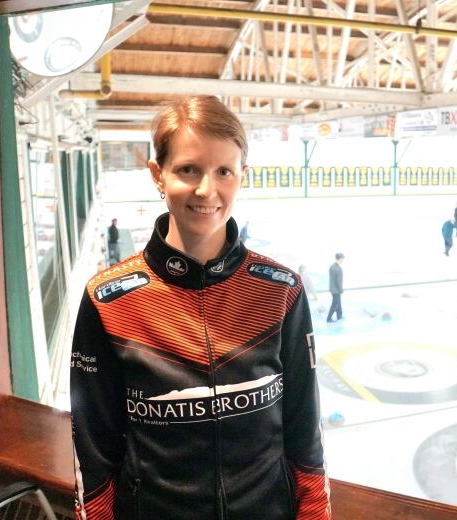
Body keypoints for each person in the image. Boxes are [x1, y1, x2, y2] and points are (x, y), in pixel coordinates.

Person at [70, 96, 330, 520]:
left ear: (242, 176)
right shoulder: (109, 300)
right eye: (188, 169)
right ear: (158, 175)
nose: (207, 190)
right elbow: (93, 451)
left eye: (223, 171)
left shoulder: (282, 291)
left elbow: (305, 434)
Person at [327, 253, 344, 322]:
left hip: (332, 289)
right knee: (334, 304)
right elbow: (338, 281)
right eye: (342, 259)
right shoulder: (338, 268)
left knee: (338, 302)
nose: (343, 260)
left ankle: (339, 316)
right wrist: (341, 289)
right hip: (337, 290)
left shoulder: (332, 266)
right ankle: (329, 318)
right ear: (340, 259)